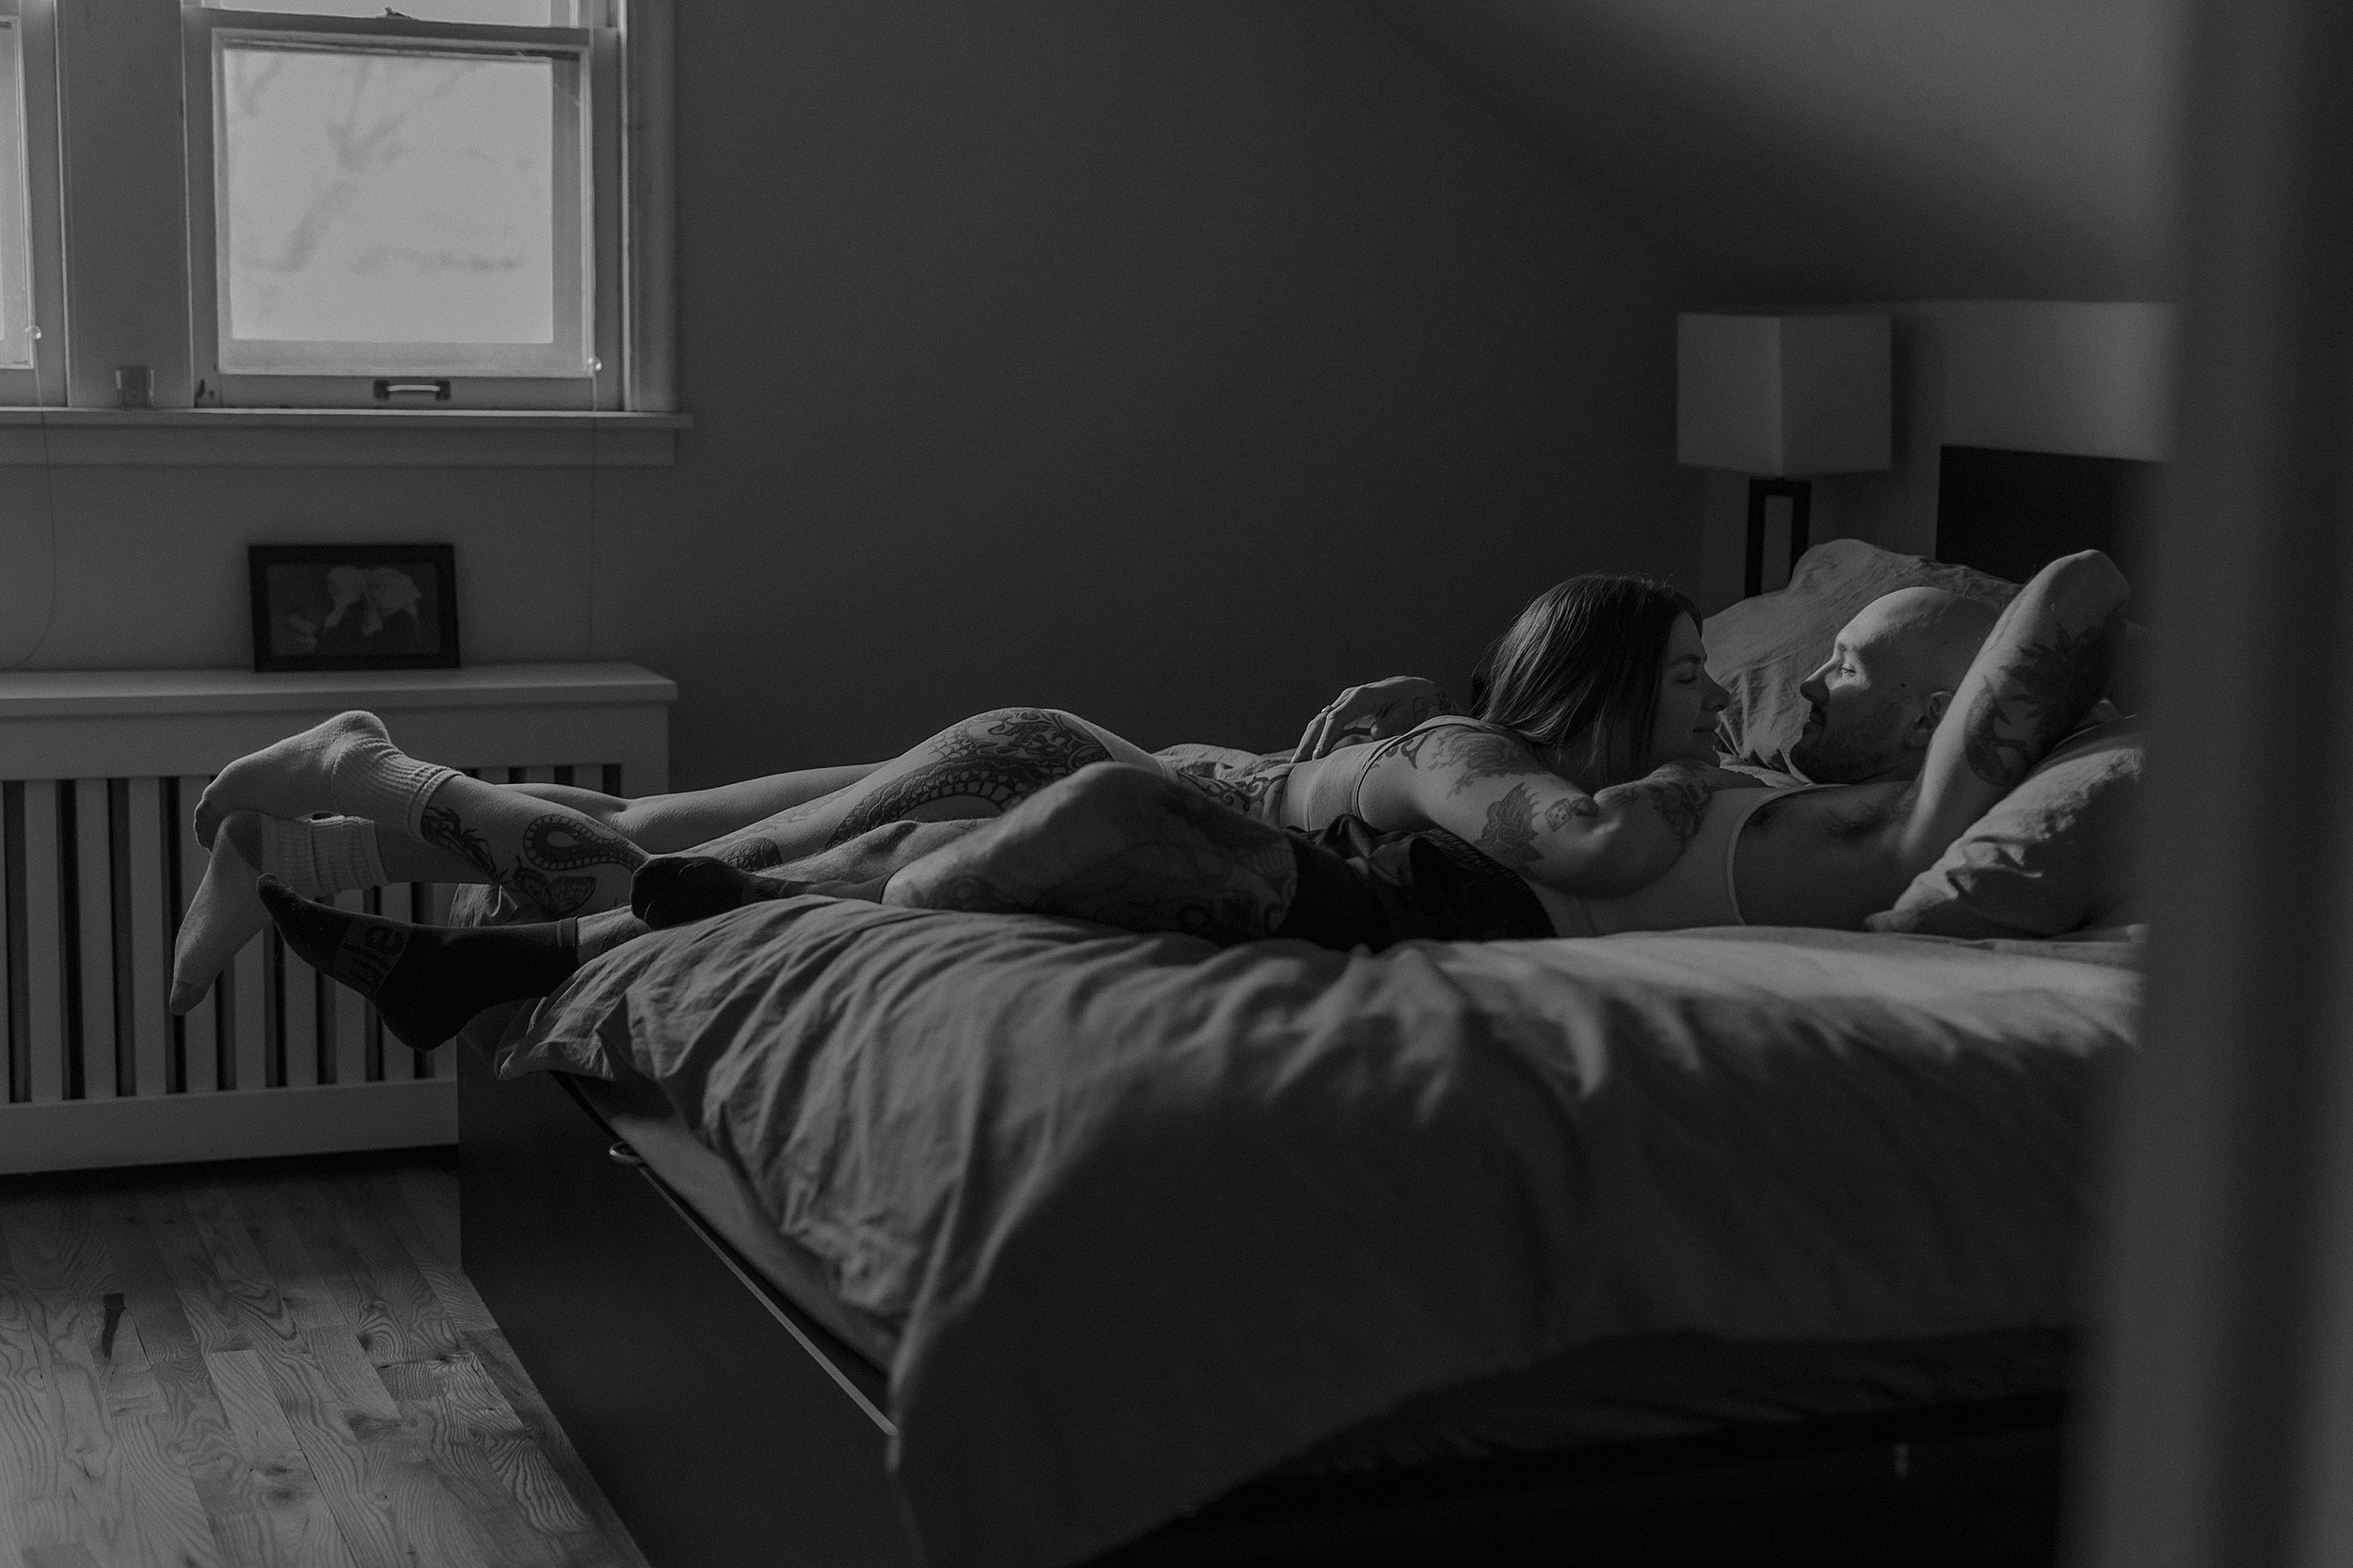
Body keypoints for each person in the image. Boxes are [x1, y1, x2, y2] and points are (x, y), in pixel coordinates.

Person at [237, 551, 2128, 1051]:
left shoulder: (1828, 828)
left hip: (1348, 862)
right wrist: (1395, 752)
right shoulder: (1703, 763)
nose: (1811, 678)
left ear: (1944, 712)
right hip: (1328, 816)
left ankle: (476, 870)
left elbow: (2065, 607)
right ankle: (450, 836)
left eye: (1862, 665)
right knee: (907, 807)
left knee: (1031, 797)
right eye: (1811, 651)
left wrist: (1452, 775)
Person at [169, 573, 1731, 1016]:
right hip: (1064, 760)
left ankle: (311, 837)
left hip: (1078, 755)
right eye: (1684, 683)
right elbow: (1557, 830)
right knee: (707, 862)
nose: (1716, 710)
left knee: (664, 840)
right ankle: (369, 774)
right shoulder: (1484, 763)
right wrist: (1698, 777)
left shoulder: (1439, 739)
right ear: (1582, 685)